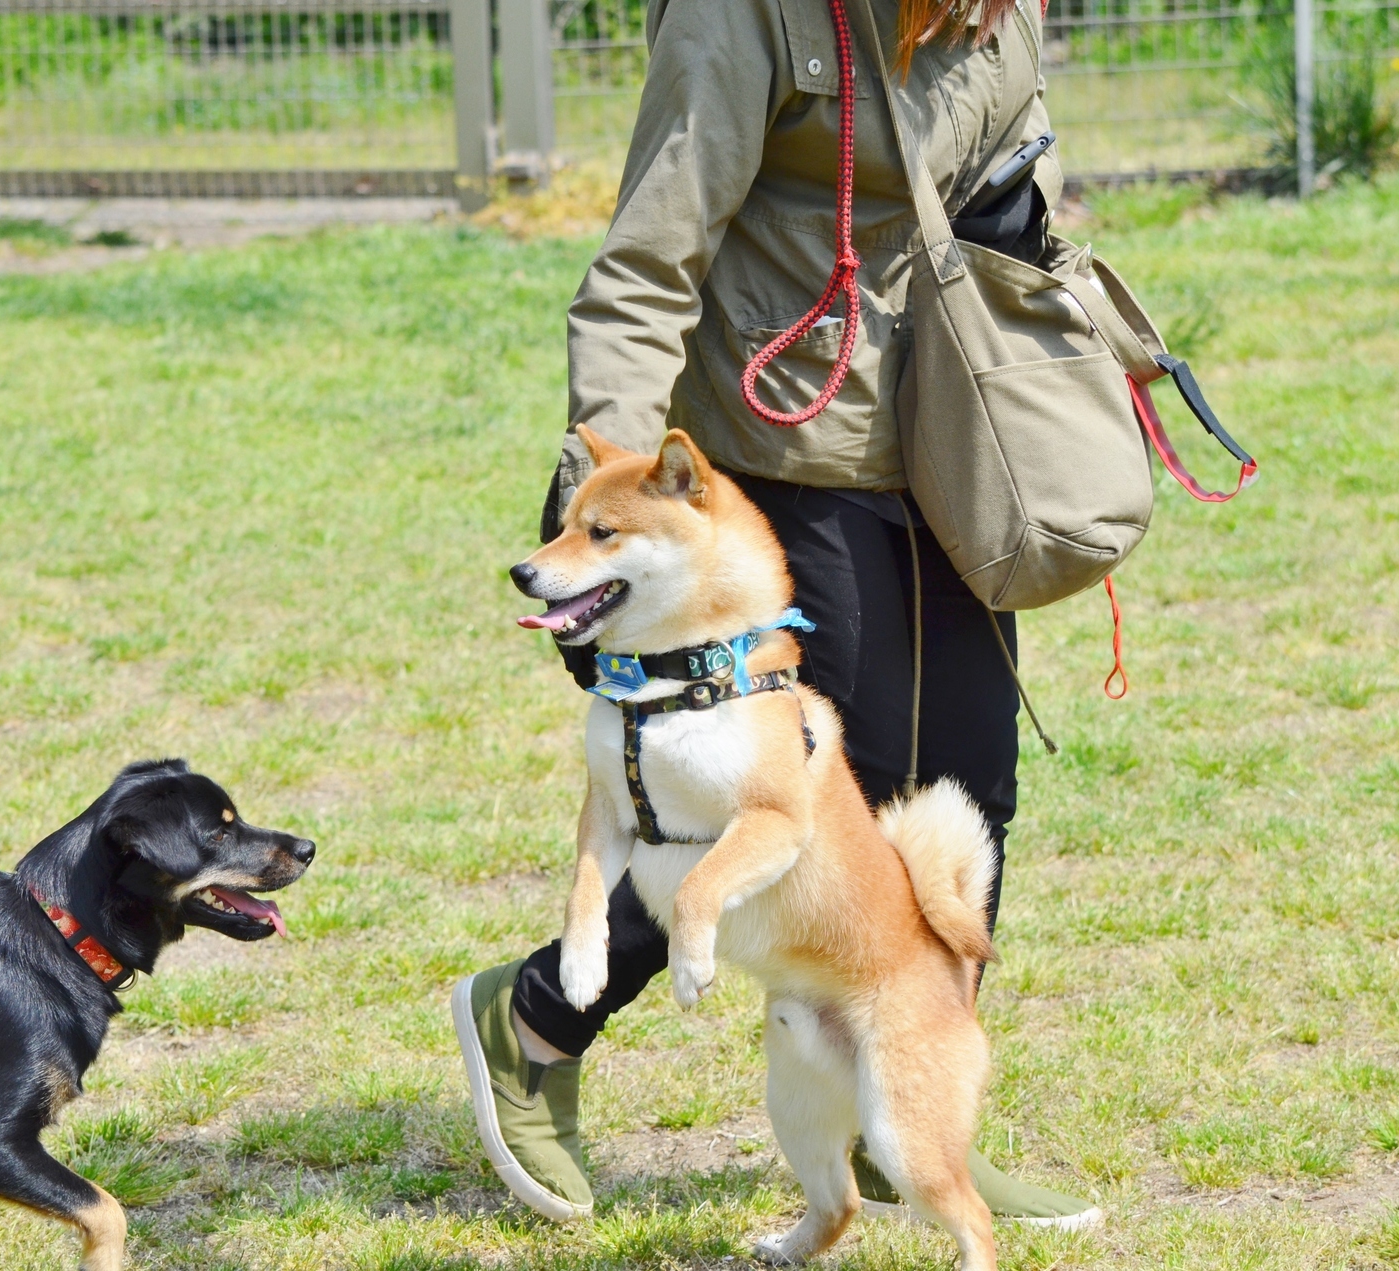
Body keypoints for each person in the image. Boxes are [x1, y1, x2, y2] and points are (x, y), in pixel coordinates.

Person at [452, 0, 1103, 1231]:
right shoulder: (737, 14)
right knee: (783, 811)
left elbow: (1019, 205)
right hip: (779, 445)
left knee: (967, 787)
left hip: (946, 439)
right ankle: (533, 1021)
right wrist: (614, 489)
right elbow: (648, 262)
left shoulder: (994, 13)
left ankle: (906, 1119)